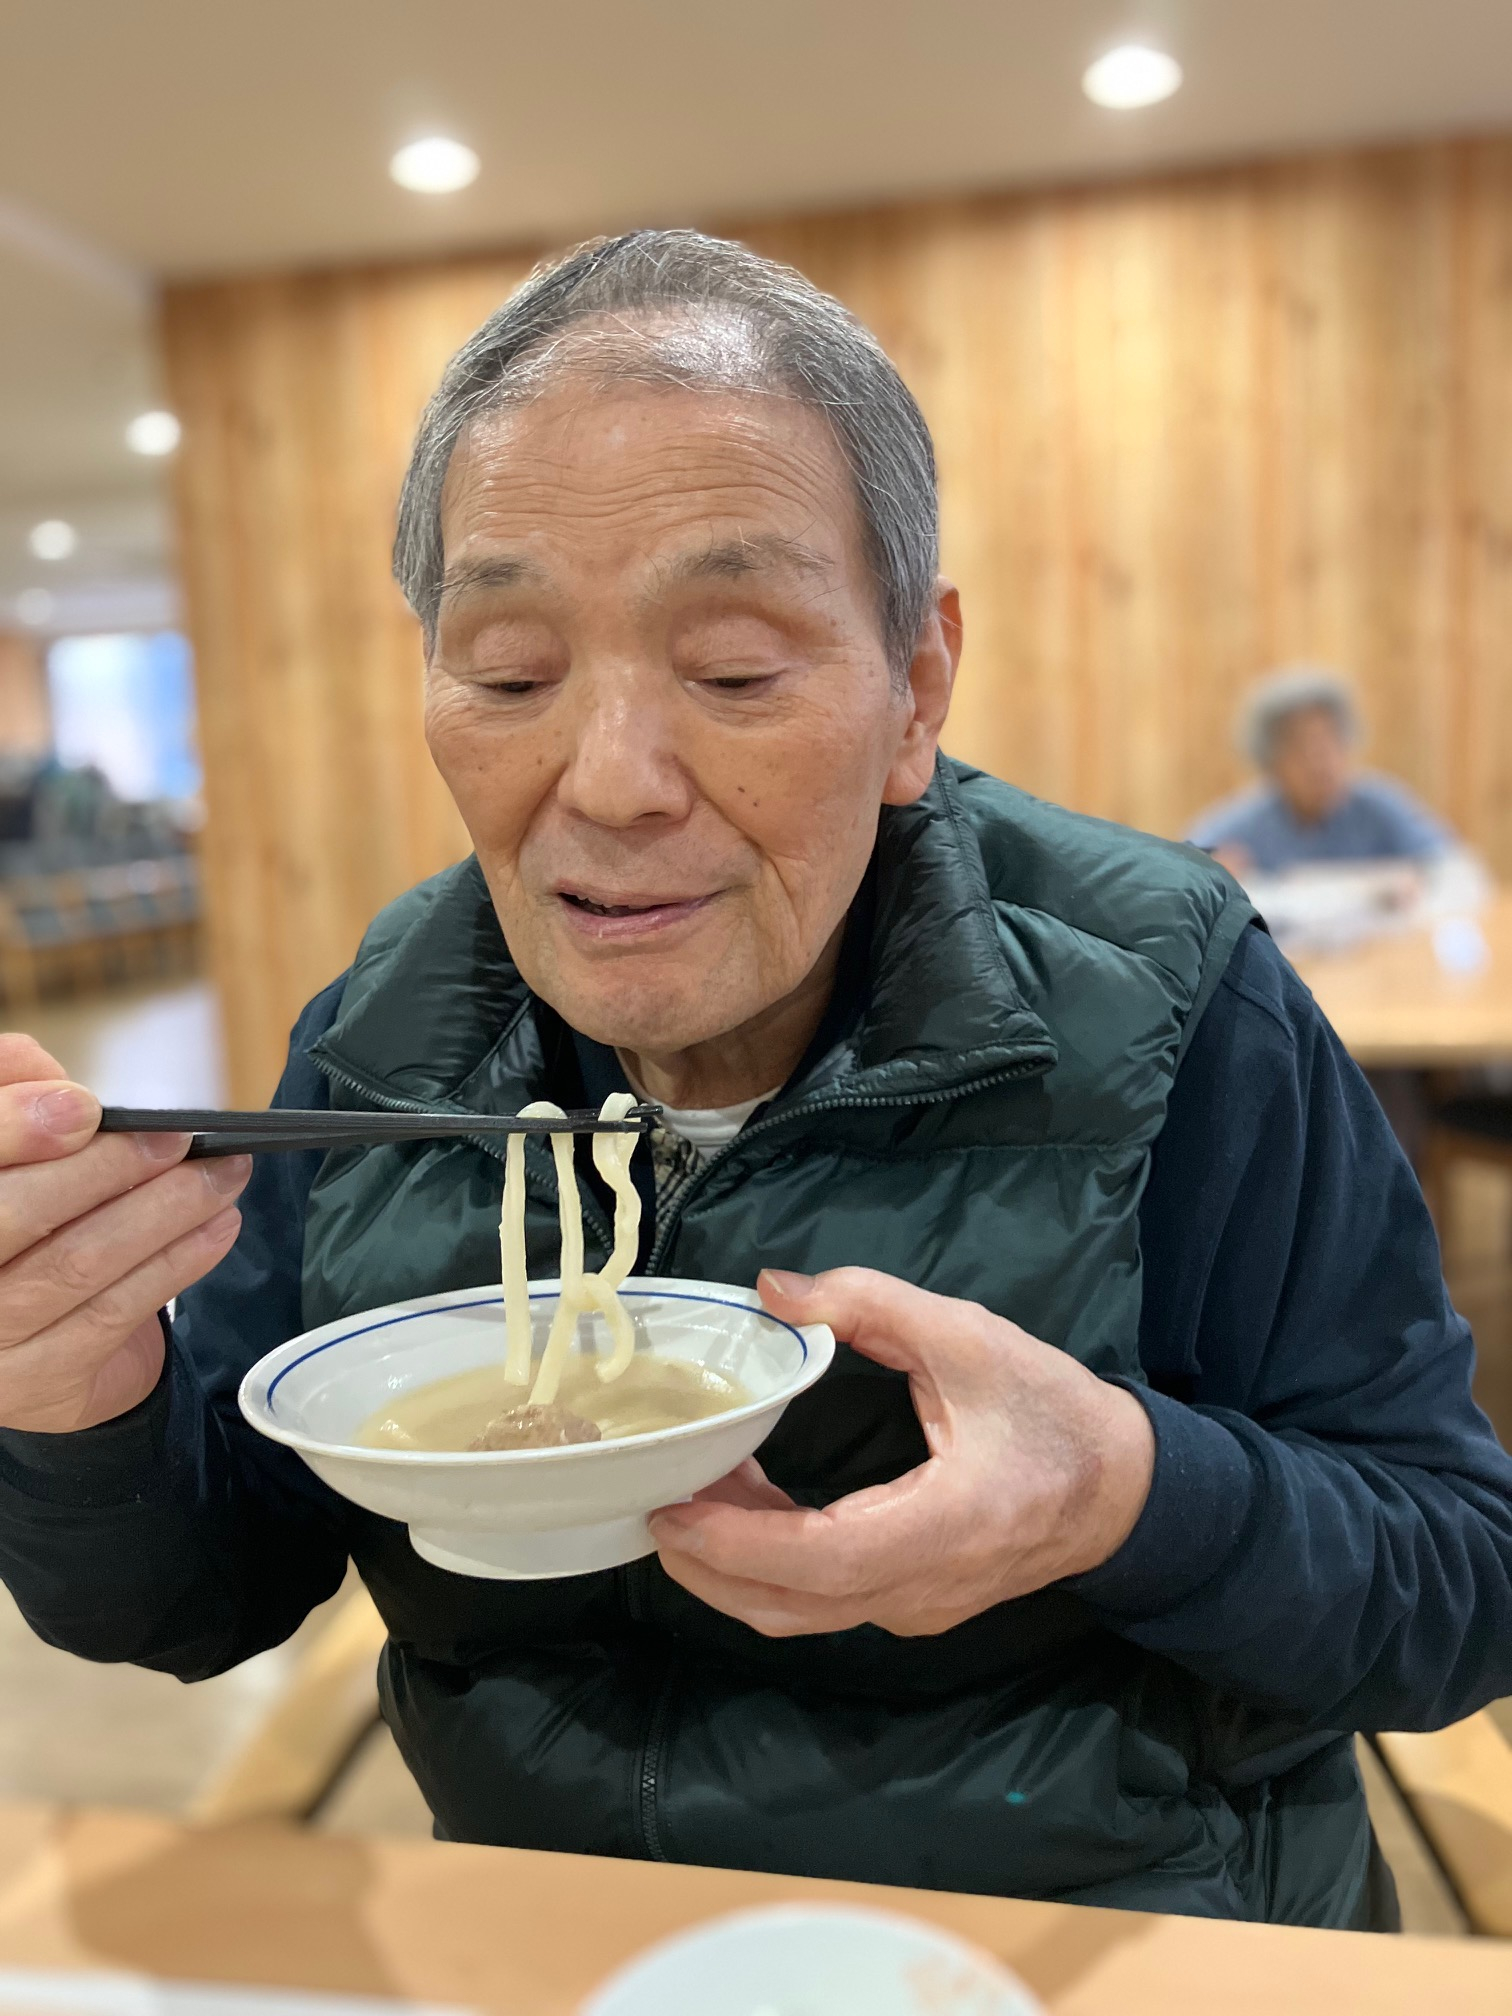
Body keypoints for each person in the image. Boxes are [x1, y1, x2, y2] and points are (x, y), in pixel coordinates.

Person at [0, 232, 1509, 1931]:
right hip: (564, 1939)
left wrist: (1125, 1494)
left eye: (731, 672)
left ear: (914, 688)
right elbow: (195, 1594)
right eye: (509, 674)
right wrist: (79, 1398)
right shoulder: (384, 1034)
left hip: (1095, 1935)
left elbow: (1461, 1583)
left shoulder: (1166, 991)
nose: (612, 781)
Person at [1188, 668, 1453, 880]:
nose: (1318, 761)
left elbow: (1452, 869)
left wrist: (1417, 879)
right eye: (1299, 746)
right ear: (1270, 762)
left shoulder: (1380, 805)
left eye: (1328, 741)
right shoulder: (1245, 824)